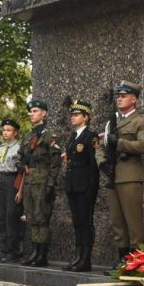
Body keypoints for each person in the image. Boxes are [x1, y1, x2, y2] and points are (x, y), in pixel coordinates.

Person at [96, 80, 144, 267]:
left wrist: (119, 143)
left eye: (123, 96)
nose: (119, 99)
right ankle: (123, 259)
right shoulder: (112, 122)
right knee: (118, 223)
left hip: (130, 176)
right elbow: (100, 145)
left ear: (134, 99)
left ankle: (137, 262)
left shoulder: (141, 120)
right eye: (118, 96)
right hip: (113, 176)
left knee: (133, 223)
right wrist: (102, 162)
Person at [16, 100, 61, 267]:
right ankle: (35, 251)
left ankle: (42, 254)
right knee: (32, 217)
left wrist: (50, 184)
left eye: (35, 111)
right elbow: (19, 157)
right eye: (30, 111)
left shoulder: (49, 135)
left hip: (42, 182)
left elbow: (55, 161)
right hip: (29, 181)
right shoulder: (28, 136)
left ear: (44, 113)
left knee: (42, 218)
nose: (31, 114)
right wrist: (22, 165)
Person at [63, 100, 100, 272]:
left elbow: (94, 164)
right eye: (72, 114)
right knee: (77, 221)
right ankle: (77, 255)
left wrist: (92, 187)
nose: (73, 117)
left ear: (85, 118)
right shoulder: (73, 137)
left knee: (85, 221)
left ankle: (85, 258)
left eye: (76, 115)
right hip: (72, 184)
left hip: (85, 185)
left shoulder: (90, 137)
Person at [0, 119, 23, 262]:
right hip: (1, 181)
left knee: (11, 216)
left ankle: (13, 250)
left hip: (13, 179)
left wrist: (20, 190)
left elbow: (21, 171)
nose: (5, 132)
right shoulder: (0, 147)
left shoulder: (19, 147)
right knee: (0, 217)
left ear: (15, 133)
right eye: (4, 130)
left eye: (8, 130)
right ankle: (3, 250)